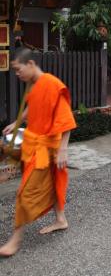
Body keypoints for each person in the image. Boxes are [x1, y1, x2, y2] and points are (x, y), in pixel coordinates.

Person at [0, 48, 76, 257]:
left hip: (46, 149)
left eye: (18, 69)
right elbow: (31, 107)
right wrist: (17, 121)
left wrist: (62, 149)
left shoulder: (51, 83)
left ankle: (15, 241)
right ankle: (61, 219)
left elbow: (65, 118)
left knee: (24, 193)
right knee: (52, 184)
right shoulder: (34, 86)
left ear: (31, 64)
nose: (17, 74)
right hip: (35, 146)